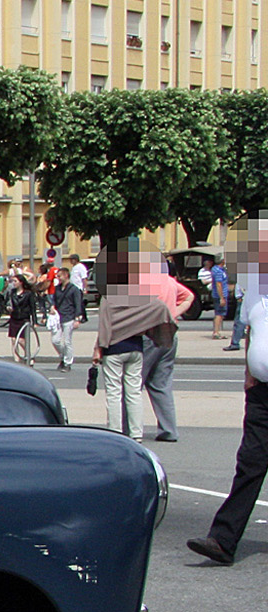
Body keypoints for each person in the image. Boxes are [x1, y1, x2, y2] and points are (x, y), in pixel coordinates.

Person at [188, 222, 268, 565]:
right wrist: (250, 372)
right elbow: (251, 329)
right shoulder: (256, 286)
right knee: (250, 463)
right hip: (262, 393)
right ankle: (222, 540)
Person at [90, 278, 172, 441]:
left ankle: (116, 432)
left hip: (114, 348)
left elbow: (104, 325)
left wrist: (99, 347)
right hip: (136, 347)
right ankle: (136, 434)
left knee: (114, 392)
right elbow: (160, 307)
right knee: (134, 393)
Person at [136, 253, 194, 443]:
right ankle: (169, 430)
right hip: (170, 332)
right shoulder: (168, 281)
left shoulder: (145, 283)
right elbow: (189, 296)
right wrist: (173, 313)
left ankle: (131, 428)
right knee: (161, 384)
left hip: (150, 334)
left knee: (133, 383)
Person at [50, 269, 84, 372]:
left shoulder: (74, 289)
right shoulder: (57, 289)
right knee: (55, 340)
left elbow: (78, 304)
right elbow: (54, 301)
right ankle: (63, 356)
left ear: (66, 275)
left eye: (59, 276)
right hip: (58, 317)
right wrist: (52, 307)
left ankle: (67, 363)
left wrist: (77, 319)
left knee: (67, 342)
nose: (58, 278)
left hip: (69, 317)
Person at [4, 269, 36, 365]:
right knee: (13, 339)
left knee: (21, 340)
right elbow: (6, 303)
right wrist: (8, 308)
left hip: (23, 318)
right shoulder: (12, 292)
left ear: (21, 282)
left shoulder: (28, 294)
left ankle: (28, 355)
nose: (13, 283)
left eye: (15, 281)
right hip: (14, 317)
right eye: (12, 281)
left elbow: (32, 308)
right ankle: (16, 359)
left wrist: (34, 321)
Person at [209, 252, 231, 341]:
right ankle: (216, 332)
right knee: (219, 313)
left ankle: (218, 331)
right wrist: (221, 297)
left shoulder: (221, 270)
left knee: (221, 314)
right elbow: (219, 284)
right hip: (220, 295)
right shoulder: (217, 271)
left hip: (222, 294)